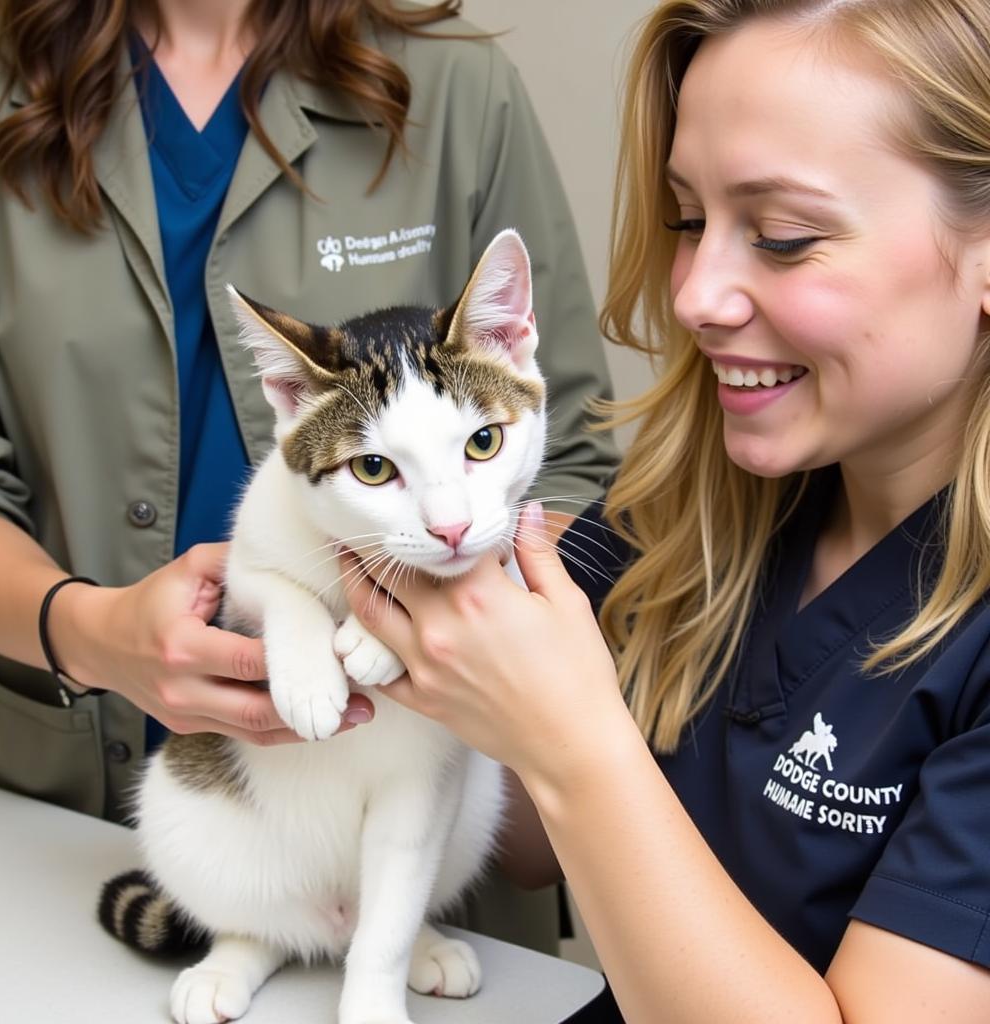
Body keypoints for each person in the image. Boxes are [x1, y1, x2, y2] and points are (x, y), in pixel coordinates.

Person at [339, 1, 990, 1020]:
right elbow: (528, 847)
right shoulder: (684, 510)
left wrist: (573, 740)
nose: (692, 294)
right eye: (688, 219)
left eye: (781, 236)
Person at [0, 0, 618, 955]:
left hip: (420, 819)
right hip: (82, 812)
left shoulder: (454, 88)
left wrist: (442, 621)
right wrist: (90, 634)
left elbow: (577, 463)